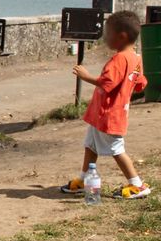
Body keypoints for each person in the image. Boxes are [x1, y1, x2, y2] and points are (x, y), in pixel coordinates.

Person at [60, 11, 152, 200]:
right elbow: (141, 83)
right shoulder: (135, 58)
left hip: (109, 114)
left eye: (108, 33)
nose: (105, 37)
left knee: (116, 150)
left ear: (121, 36)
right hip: (103, 114)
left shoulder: (119, 59)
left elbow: (107, 83)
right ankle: (85, 179)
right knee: (91, 146)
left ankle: (137, 184)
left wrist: (86, 76)